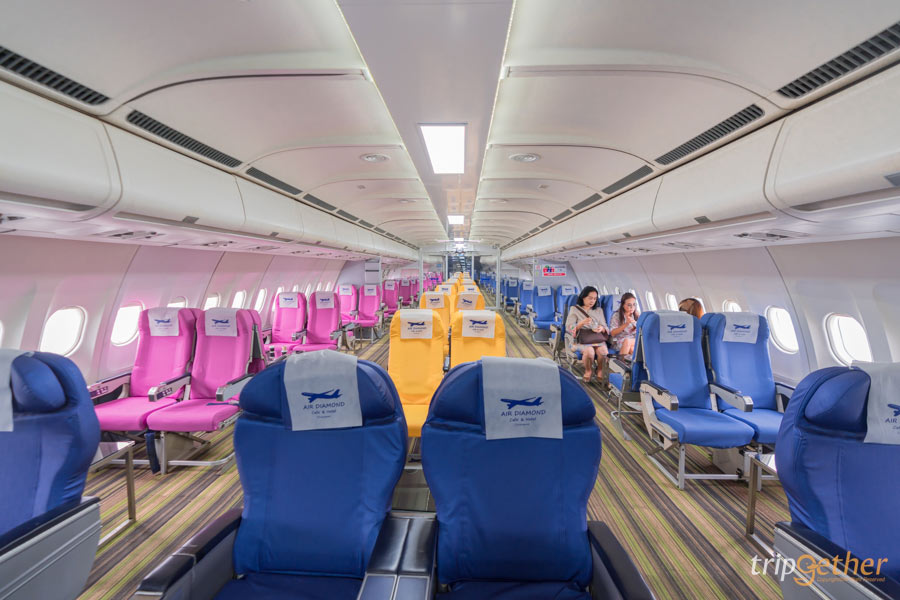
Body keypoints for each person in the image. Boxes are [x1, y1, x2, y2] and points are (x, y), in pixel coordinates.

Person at [565, 286, 609, 383]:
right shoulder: (574, 309)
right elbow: (568, 327)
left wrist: (601, 328)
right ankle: (588, 371)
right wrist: (581, 324)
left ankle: (600, 370)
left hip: (596, 338)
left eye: (595, 298)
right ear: (583, 297)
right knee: (589, 351)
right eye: (590, 298)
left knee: (603, 351)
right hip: (580, 340)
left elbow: (605, 326)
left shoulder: (599, 310)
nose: (592, 301)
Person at [609, 292, 639, 357]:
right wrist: (626, 324)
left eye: (634, 304)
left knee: (629, 343)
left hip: (634, 339)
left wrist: (637, 325)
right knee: (631, 348)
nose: (632, 307)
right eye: (629, 305)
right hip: (620, 339)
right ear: (623, 305)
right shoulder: (617, 316)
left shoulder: (637, 315)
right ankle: (624, 361)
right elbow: (612, 333)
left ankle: (620, 361)